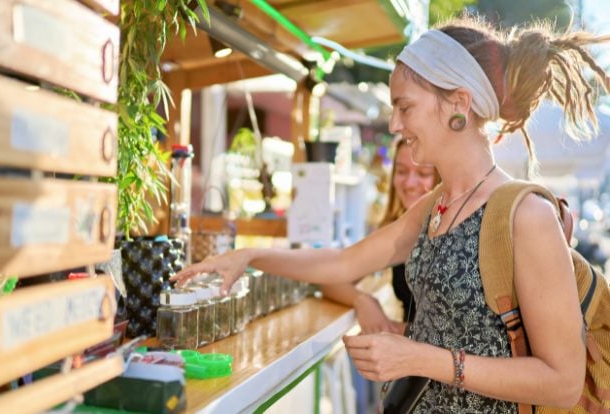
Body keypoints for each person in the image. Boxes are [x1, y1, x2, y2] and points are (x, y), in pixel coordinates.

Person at [173, 17, 608, 412]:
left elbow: (562, 382)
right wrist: (249, 257)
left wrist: (420, 356)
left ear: (458, 103)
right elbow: (345, 262)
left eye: (405, 107)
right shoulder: (438, 203)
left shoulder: (525, 215)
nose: (395, 125)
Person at [320, 137, 439, 335]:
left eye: (423, 173)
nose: (410, 182)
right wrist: (363, 300)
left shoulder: (456, 230)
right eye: (401, 171)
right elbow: (331, 279)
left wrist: (393, 330)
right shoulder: (397, 229)